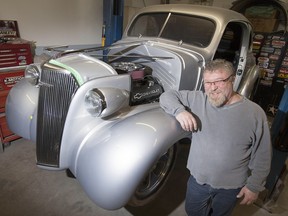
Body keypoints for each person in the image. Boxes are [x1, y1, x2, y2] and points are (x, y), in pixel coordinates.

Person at [159, 59, 272, 216]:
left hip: (231, 187)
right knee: (192, 212)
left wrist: (254, 186)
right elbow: (167, 96)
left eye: (218, 82)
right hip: (198, 180)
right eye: (207, 83)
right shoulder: (198, 100)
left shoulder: (254, 113)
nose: (212, 88)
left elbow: (263, 154)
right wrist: (180, 111)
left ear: (233, 79)